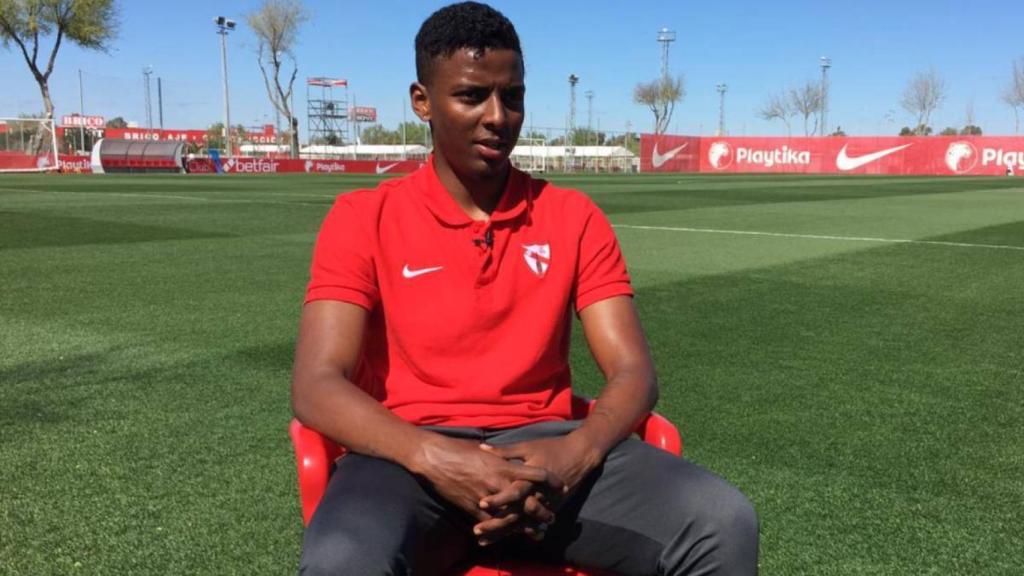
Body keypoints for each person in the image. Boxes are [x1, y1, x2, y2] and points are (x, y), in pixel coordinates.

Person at [292, 3, 758, 574]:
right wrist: (439, 459)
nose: (497, 117)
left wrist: (574, 455)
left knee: (721, 521)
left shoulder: (573, 217)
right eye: (471, 96)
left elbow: (634, 372)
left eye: (512, 97)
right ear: (422, 102)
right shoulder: (363, 217)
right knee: (343, 561)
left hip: (547, 457)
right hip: (406, 461)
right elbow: (316, 385)